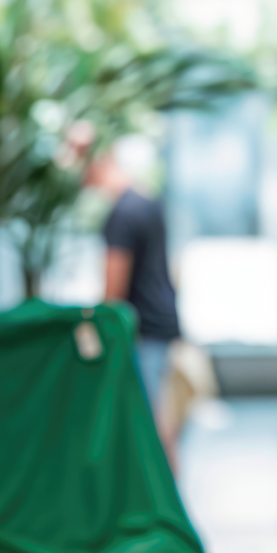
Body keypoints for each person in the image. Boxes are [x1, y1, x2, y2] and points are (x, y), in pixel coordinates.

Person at [87, 142, 184, 471]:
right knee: (158, 416)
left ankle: (168, 506)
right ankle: (170, 499)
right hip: (162, 322)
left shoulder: (121, 215)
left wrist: (97, 330)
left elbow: (113, 292)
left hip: (141, 330)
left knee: (150, 421)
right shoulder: (147, 202)